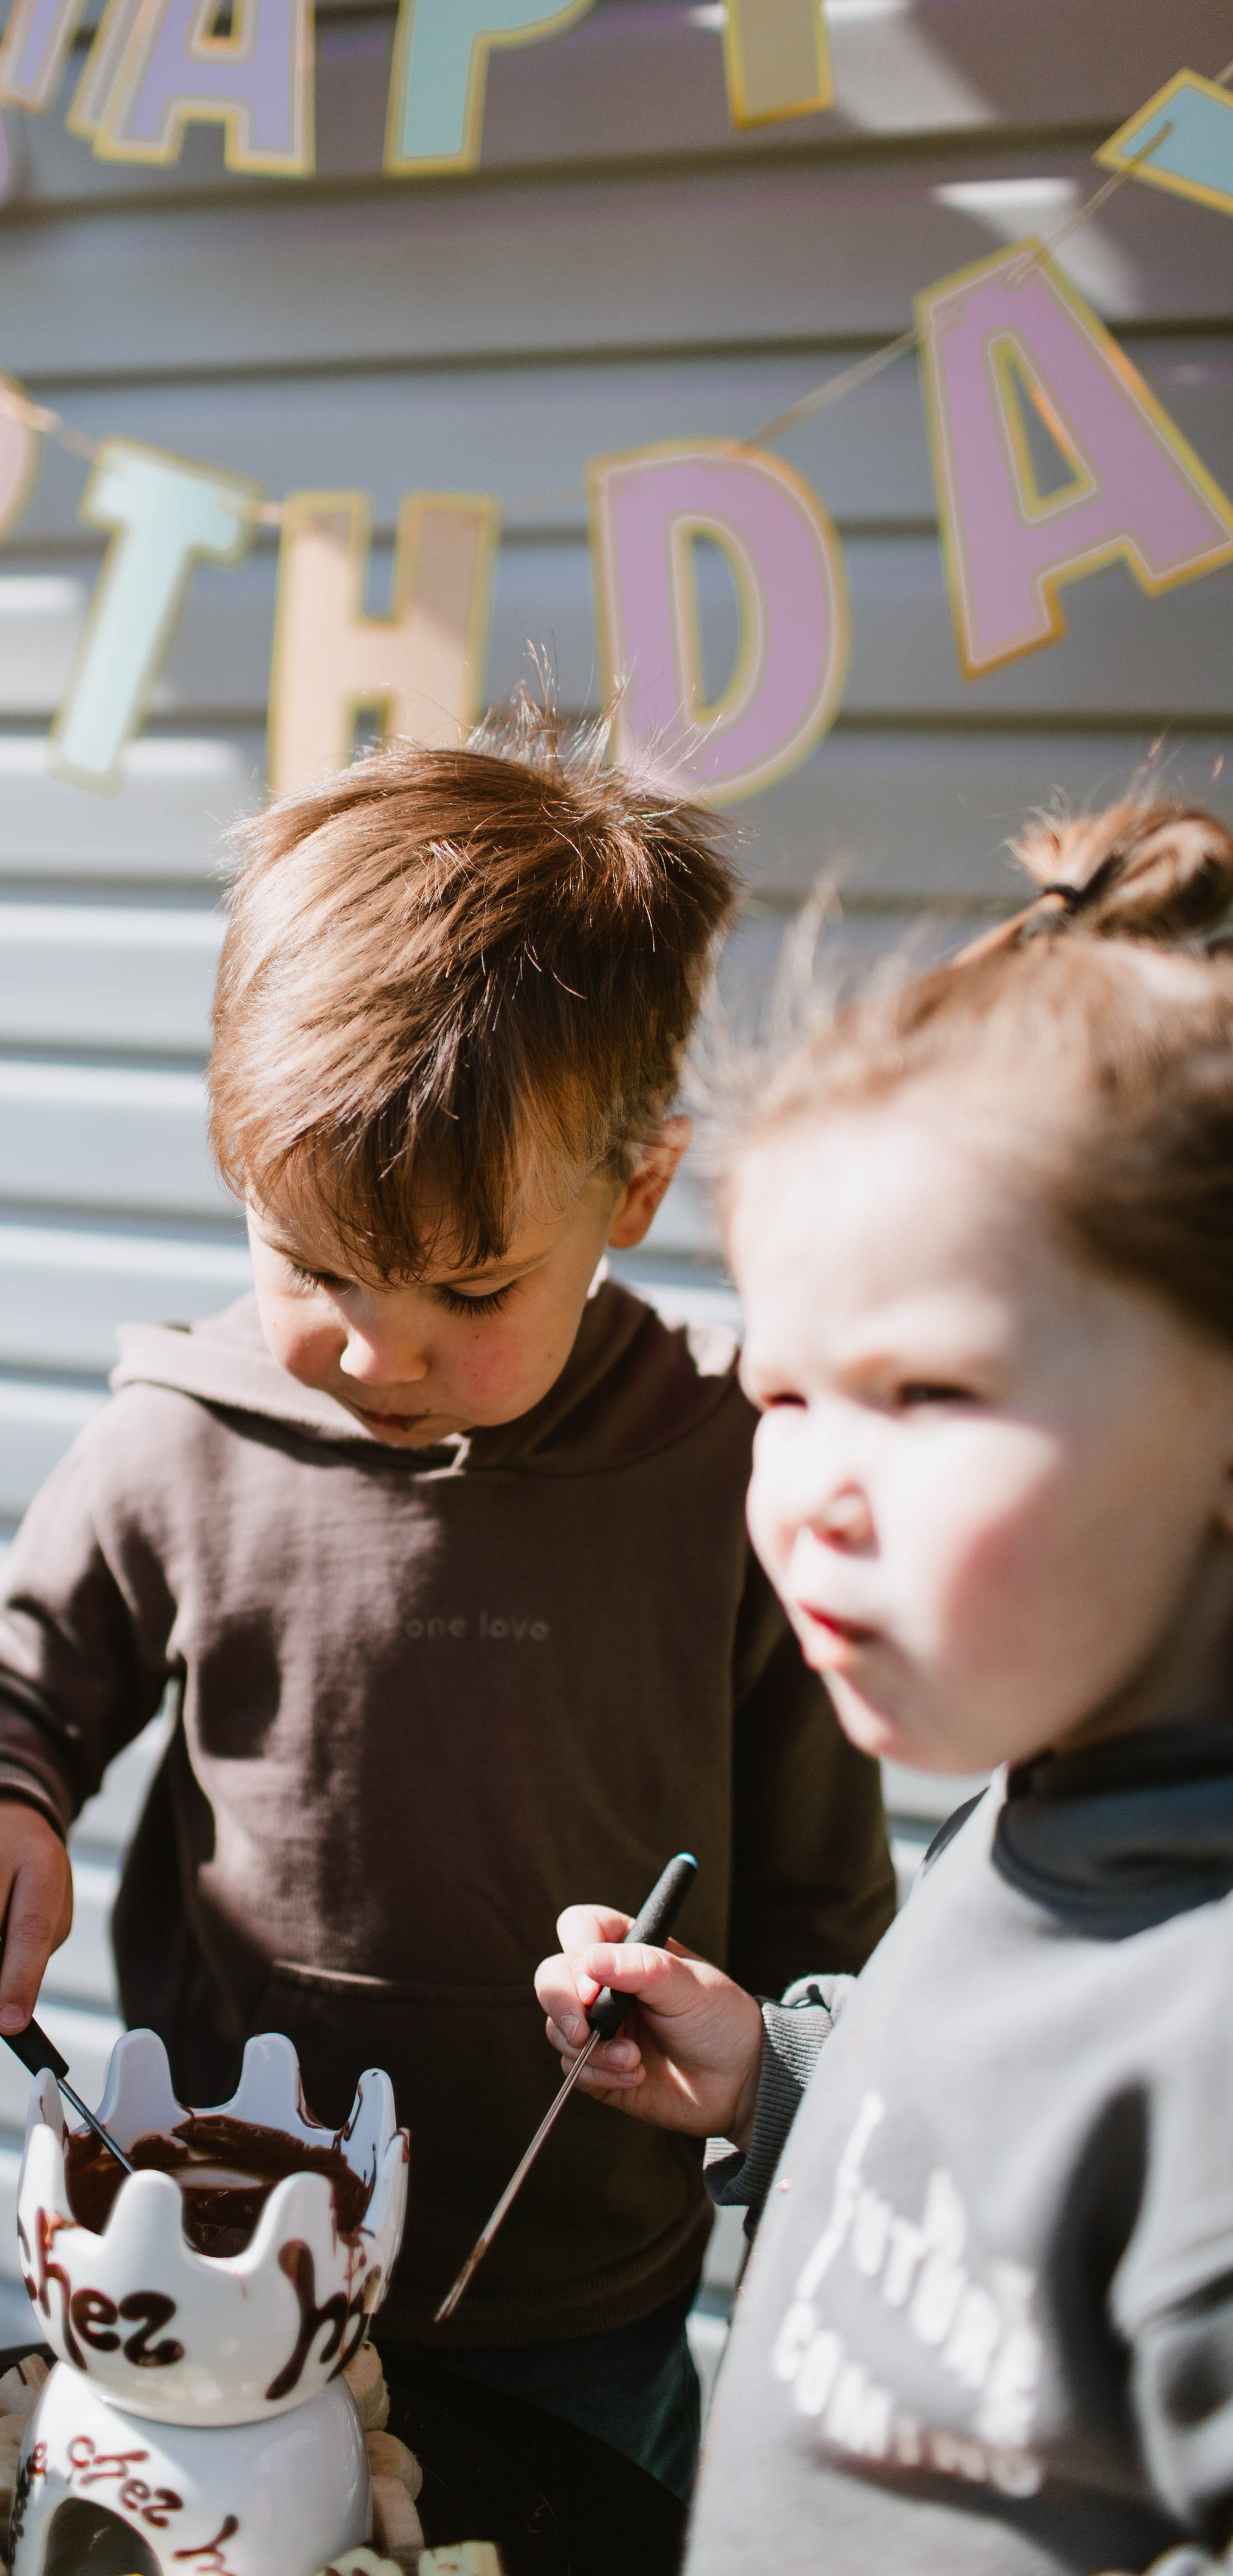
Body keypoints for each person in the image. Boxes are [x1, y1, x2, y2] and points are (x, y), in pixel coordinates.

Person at [0, 706, 896, 2493]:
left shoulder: (730, 1469)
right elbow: (14, 1681)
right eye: (315, 1267)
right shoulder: (183, 1436)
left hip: (578, 2293)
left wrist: (811, 2135)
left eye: (469, 1288)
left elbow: (827, 1906)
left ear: (635, 1189)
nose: (374, 1349)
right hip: (218, 2246)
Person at [535, 798, 1233, 2571]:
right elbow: (978, 2140)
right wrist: (777, 2077)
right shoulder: (1032, 1806)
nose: (813, 1497)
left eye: (925, 1393)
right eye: (782, 1395)